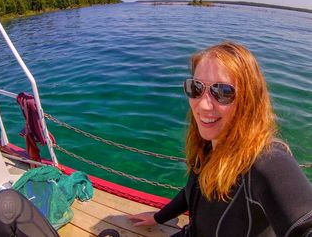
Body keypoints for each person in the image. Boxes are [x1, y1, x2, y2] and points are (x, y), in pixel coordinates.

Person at [128, 42, 312, 236]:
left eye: (223, 92)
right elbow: (193, 191)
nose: (204, 105)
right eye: (196, 87)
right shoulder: (208, 146)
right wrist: (159, 217)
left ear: (249, 100)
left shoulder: (266, 161)